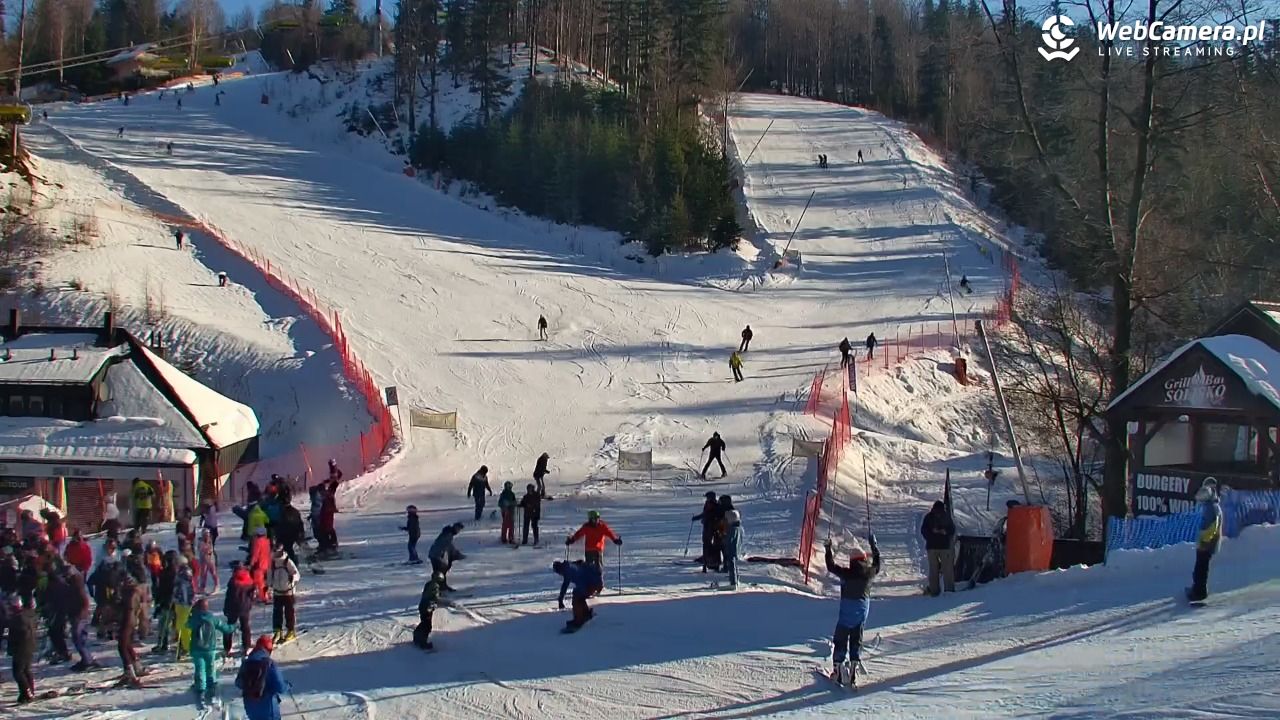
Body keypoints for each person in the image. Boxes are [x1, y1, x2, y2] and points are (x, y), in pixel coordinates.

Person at [823, 534, 881, 688]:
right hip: (862, 610)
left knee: (841, 638)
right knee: (857, 637)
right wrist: (874, 546)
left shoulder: (846, 573)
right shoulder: (869, 573)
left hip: (847, 611)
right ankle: (854, 665)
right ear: (864, 559)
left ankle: (838, 669)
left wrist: (828, 548)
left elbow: (830, 566)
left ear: (852, 561)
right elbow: (877, 564)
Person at [187, 598, 235, 703]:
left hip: (197, 648)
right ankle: (211, 686)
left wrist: (191, 613)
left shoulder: (195, 619)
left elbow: (187, 624)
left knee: (200, 668)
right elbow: (226, 628)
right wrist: (234, 626)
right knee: (210, 668)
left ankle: (200, 689)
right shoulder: (212, 619)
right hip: (210, 649)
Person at [236, 635, 287, 720]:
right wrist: (287, 685)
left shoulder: (246, 663)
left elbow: (238, 683)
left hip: (250, 707)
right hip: (268, 707)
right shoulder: (270, 664)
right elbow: (280, 687)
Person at [1188, 480, 1223, 602]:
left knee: (1201, 568)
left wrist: (1205, 541)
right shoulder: (1212, 506)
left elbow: (1213, 526)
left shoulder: (1211, 508)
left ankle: (1199, 592)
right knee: (1201, 567)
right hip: (1207, 542)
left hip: (1206, 544)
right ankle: (1197, 589)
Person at [566, 511, 621, 577]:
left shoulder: (602, 526)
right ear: (590, 519)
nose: (596, 520)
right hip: (589, 549)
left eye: (597, 518)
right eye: (594, 519)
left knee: (598, 567)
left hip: (598, 550)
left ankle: (599, 580)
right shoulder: (586, 527)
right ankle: (589, 581)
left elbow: (609, 533)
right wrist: (572, 540)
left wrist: (615, 540)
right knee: (589, 567)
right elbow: (578, 534)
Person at [553, 560, 603, 631]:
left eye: (558, 573)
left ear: (559, 570)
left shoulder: (568, 571)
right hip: (594, 580)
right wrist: (560, 599)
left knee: (576, 599)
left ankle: (578, 620)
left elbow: (581, 580)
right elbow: (565, 584)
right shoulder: (568, 567)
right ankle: (585, 613)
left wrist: (582, 590)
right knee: (579, 596)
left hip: (593, 582)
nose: (560, 574)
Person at [921, 501, 956, 596]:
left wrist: (944, 532)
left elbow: (952, 530)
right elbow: (924, 530)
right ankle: (941, 590)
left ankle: (940, 591)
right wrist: (933, 534)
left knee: (940, 570)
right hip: (939, 546)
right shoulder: (943, 517)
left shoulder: (930, 517)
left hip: (938, 546)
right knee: (943, 570)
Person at [6, 594, 36, 703]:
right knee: (26, 670)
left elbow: (18, 635)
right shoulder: (27, 615)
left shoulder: (18, 619)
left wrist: (12, 648)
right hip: (29, 646)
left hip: (21, 648)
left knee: (18, 672)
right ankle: (29, 691)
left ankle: (26, 692)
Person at [117, 573, 145, 686]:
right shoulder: (135, 591)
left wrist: (118, 601)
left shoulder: (130, 593)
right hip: (131, 619)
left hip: (127, 620)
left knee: (122, 646)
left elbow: (128, 607)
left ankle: (130, 673)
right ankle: (137, 666)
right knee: (127, 644)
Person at [223, 562, 255, 659]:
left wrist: (226, 608)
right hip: (245, 607)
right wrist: (250, 604)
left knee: (229, 627)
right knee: (245, 627)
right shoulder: (249, 580)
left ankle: (227, 647)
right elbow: (252, 595)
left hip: (233, 608)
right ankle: (246, 646)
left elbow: (229, 597)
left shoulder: (233, 581)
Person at [268, 545, 299, 645]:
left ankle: (291, 630)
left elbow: (297, 574)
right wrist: (268, 585)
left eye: (278, 552)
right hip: (277, 592)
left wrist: (293, 579)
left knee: (289, 612)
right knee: (277, 612)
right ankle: (277, 630)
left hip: (288, 592)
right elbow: (269, 575)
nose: (277, 554)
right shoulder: (273, 563)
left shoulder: (287, 561)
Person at [413, 572, 449, 650]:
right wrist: (446, 602)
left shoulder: (429, 583)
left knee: (424, 623)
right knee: (427, 626)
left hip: (423, 605)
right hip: (427, 607)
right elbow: (435, 597)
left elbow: (429, 595)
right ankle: (422, 642)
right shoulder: (435, 585)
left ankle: (417, 637)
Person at [151, 551, 178, 655]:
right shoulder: (177, 572)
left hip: (167, 601)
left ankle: (164, 644)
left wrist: (159, 601)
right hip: (175, 601)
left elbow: (161, 589)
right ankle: (168, 643)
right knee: (170, 623)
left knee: (164, 623)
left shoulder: (166, 573)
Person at [427, 523, 465, 592]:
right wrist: (458, 555)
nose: (458, 531)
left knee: (441, 572)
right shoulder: (448, 534)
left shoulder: (447, 533)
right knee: (440, 572)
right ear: (455, 527)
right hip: (436, 555)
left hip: (435, 554)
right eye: (458, 529)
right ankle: (437, 588)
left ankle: (441, 587)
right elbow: (449, 546)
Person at [693, 492, 724, 572]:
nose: (706, 499)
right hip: (710, 526)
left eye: (707, 497)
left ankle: (709, 561)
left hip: (711, 527)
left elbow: (706, 514)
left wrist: (698, 518)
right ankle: (709, 560)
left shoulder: (713, 505)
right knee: (709, 544)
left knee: (708, 544)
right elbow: (705, 514)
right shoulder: (711, 504)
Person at [173, 555, 195, 659]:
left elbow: (184, 589)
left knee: (183, 625)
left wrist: (184, 601)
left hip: (183, 603)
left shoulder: (183, 574)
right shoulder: (182, 572)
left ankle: (188, 646)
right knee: (180, 625)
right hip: (181, 602)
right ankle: (185, 645)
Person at [722, 504, 743, 589]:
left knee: (731, 565)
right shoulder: (739, 528)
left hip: (731, 549)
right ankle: (736, 580)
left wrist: (724, 538)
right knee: (734, 565)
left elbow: (728, 540)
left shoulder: (732, 529)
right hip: (736, 549)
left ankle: (733, 582)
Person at [249, 527, 271, 602]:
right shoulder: (267, 541)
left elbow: (255, 555)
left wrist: (251, 564)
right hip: (266, 564)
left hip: (259, 565)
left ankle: (263, 597)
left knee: (259, 582)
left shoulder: (257, 542)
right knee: (264, 581)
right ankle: (266, 595)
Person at [197, 529, 219, 594]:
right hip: (203, 559)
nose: (206, 536)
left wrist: (207, 551)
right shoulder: (200, 541)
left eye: (207, 534)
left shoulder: (209, 540)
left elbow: (210, 550)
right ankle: (202, 587)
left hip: (210, 559)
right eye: (205, 534)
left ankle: (217, 585)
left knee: (213, 572)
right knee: (203, 574)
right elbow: (200, 549)